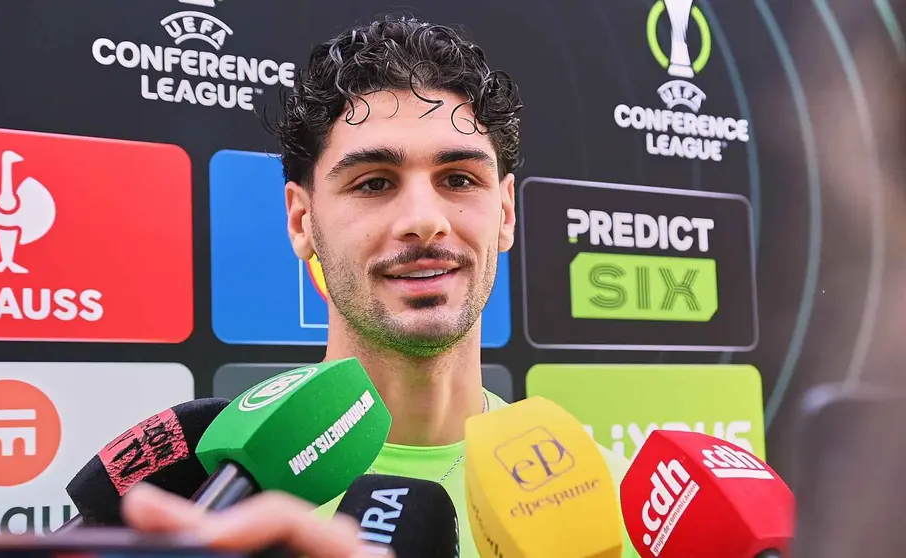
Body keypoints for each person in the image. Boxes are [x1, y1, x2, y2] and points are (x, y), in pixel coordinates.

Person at [125, 13, 633, 557]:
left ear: (505, 211)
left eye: (459, 179)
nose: (423, 219)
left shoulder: (613, 503)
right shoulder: (211, 500)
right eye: (373, 183)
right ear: (301, 221)